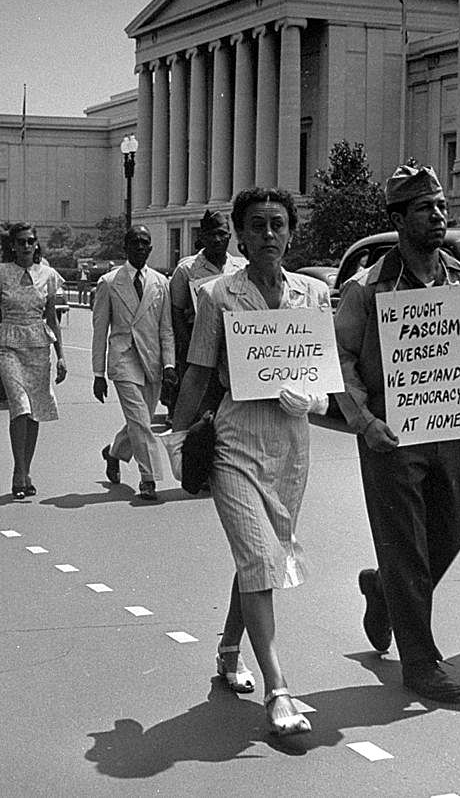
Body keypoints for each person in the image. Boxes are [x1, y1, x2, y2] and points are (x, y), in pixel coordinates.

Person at [334, 165, 460, 702]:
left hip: (444, 425)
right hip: (389, 430)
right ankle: (421, 662)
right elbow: (338, 357)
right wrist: (363, 420)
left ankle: (383, 589)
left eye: (440, 206)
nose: (438, 216)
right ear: (399, 218)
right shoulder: (367, 288)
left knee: (448, 531)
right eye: (425, 208)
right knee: (405, 545)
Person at [171, 188, 329, 737]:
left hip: (291, 446)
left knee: (260, 558)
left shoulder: (313, 294)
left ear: (291, 233)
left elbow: (322, 374)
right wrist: (176, 432)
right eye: (257, 225)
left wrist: (314, 398)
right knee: (261, 557)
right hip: (236, 442)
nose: (268, 235)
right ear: (240, 234)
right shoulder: (216, 295)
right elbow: (196, 371)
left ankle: (227, 649)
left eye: (278, 224)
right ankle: (279, 689)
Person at [92, 225, 177, 501]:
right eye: (135, 243)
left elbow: (166, 329)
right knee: (140, 421)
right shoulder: (109, 282)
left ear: (151, 248)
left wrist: (169, 365)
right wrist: (98, 373)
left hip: (151, 360)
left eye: (145, 243)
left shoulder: (161, 283)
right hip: (124, 357)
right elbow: (100, 329)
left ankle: (114, 452)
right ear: (126, 248)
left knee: (139, 420)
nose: (141, 247)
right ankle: (148, 478)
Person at [0, 222, 67, 498]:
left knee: (35, 411)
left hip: (38, 345)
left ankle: (26, 470)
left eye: (30, 241)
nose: (26, 246)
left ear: (36, 244)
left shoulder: (48, 275)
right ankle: (18, 472)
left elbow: (52, 317)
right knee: (19, 406)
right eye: (20, 242)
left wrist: (61, 356)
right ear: (12, 245)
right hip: (8, 343)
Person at [169, 210, 247, 416]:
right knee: (202, 410)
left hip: (235, 348)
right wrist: (187, 348)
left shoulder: (241, 267)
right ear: (201, 237)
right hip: (200, 345)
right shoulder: (187, 269)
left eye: (222, 234)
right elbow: (176, 312)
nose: (217, 239)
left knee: (232, 408)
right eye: (211, 234)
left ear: (230, 236)